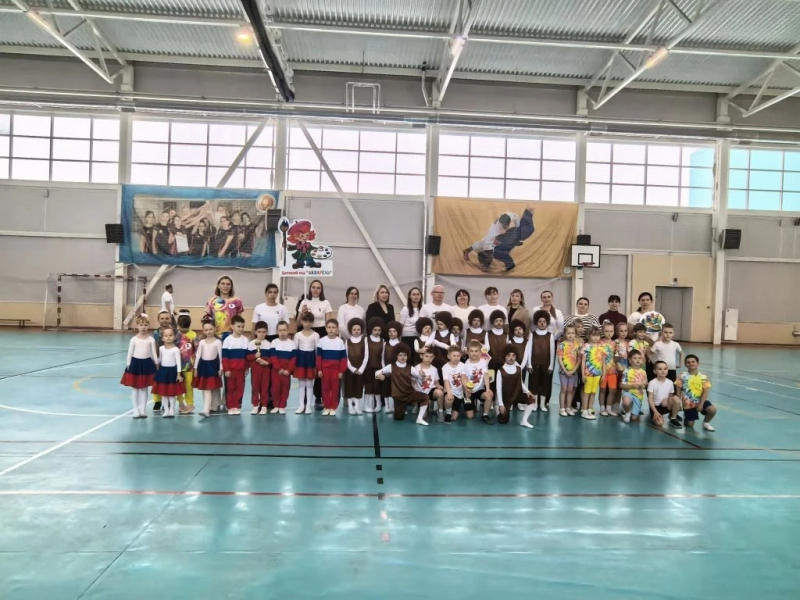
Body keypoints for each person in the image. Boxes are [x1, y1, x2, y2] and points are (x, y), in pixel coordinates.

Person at [375, 343, 431, 426]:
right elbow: (377, 372)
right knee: (398, 418)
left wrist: (422, 376)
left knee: (425, 397)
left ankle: (419, 419)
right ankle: (401, 409)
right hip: (398, 396)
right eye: (400, 355)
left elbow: (420, 379)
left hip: (409, 394)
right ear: (396, 356)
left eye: (404, 355)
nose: (402, 357)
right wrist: (379, 375)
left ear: (407, 356)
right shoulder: (391, 366)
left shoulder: (410, 367)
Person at [299, 279, 334, 407]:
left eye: (318, 288)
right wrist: (302, 312)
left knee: (320, 365)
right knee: (308, 363)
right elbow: (297, 323)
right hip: (307, 333)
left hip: (322, 333)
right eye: (313, 287)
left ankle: (318, 395)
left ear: (321, 290)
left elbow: (329, 322)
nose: (315, 289)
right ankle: (304, 396)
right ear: (310, 288)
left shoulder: (326, 303)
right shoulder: (304, 302)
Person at [121, 314, 158, 419]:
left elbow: (153, 353)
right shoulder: (134, 340)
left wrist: (156, 363)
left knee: (144, 388)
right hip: (135, 365)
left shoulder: (151, 340)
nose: (143, 327)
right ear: (137, 326)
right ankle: (136, 409)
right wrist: (128, 365)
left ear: (148, 326)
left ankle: (143, 410)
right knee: (136, 388)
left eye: (146, 325)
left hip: (147, 364)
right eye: (141, 325)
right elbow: (130, 353)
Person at [496, 344, 537, 428]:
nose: (511, 358)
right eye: (508, 355)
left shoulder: (519, 369)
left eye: (513, 356)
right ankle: (497, 409)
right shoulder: (501, 371)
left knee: (532, 399)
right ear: (504, 357)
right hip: (506, 397)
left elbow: (521, 383)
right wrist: (501, 404)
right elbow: (498, 388)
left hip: (516, 394)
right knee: (503, 420)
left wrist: (528, 391)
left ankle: (524, 420)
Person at [676, 354, 717, 431]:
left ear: (698, 363)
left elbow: (705, 392)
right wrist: (678, 404)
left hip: (700, 401)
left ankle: (706, 423)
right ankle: (686, 417)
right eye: (688, 362)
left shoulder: (703, 377)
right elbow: (678, 391)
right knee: (689, 425)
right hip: (688, 404)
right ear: (685, 364)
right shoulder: (682, 376)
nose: (691, 363)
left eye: (693, 362)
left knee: (712, 409)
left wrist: (701, 404)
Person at [316, 319, 347, 416]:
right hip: (325, 369)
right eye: (329, 327)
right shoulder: (321, 341)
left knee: (335, 388)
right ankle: (327, 406)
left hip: (336, 370)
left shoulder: (340, 342)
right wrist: (319, 369)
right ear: (325, 328)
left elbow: (343, 358)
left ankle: (333, 407)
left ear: (337, 329)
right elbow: (319, 357)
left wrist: (341, 371)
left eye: (333, 327)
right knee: (325, 388)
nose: (331, 329)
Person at [194, 319, 224, 418]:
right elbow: (198, 355)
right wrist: (195, 368)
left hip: (213, 367)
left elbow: (220, 356)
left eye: (210, 329)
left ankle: (208, 408)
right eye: (206, 330)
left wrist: (221, 368)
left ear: (215, 329)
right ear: (203, 331)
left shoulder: (218, 342)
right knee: (206, 388)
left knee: (210, 388)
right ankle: (206, 409)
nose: (209, 331)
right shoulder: (202, 342)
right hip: (203, 367)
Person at [152, 327, 183, 418]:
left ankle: (172, 410)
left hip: (172, 372)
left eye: (170, 335)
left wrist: (178, 374)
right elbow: (160, 360)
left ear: (174, 337)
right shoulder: (161, 348)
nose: (168, 337)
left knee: (171, 393)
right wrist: (154, 362)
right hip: (163, 372)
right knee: (164, 393)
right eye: (166, 336)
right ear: (162, 338)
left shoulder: (176, 349)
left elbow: (178, 363)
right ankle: (166, 410)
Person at [221, 315, 249, 415]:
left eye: (242, 327)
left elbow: (247, 356)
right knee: (230, 389)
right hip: (230, 370)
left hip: (241, 370)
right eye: (238, 326)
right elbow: (224, 357)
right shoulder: (227, 340)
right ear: (232, 326)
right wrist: (226, 369)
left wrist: (246, 368)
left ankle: (237, 406)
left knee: (240, 388)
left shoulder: (245, 340)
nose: (241, 329)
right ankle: (230, 406)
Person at [460, 340, 494, 422]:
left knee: (489, 395)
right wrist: (467, 389)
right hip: (468, 391)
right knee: (470, 416)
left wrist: (488, 388)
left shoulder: (483, 362)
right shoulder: (465, 364)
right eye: (471, 351)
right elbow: (463, 378)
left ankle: (485, 415)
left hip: (479, 390)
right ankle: (471, 406)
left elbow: (485, 375)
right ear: (468, 352)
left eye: (476, 351)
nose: (474, 353)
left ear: (480, 352)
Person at [528, 310, 555, 412]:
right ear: (536, 322)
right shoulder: (532, 335)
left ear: (547, 322)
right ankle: (534, 404)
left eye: (544, 321)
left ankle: (542, 404)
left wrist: (551, 365)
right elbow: (529, 350)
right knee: (533, 384)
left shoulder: (550, 335)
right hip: (534, 363)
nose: (542, 323)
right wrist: (529, 364)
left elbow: (552, 351)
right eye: (540, 321)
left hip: (546, 364)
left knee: (545, 384)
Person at [293, 312, 319, 415]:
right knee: (301, 384)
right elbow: (295, 349)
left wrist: (316, 365)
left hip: (310, 361)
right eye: (305, 321)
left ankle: (308, 406)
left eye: (309, 322)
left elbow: (317, 351)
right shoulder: (298, 335)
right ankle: (301, 406)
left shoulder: (316, 335)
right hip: (300, 360)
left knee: (309, 384)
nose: (307, 324)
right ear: (302, 322)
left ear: (312, 322)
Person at [579, 326, 606, 420]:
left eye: (598, 335)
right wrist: (583, 374)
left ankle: (590, 408)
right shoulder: (586, 346)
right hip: (588, 374)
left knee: (593, 392)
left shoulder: (601, 347)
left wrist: (604, 373)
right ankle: (584, 409)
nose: (596, 338)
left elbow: (603, 361)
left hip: (597, 373)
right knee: (586, 392)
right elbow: (583, 361)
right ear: (588, 336)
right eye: (593, 335)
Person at [270, 321, 297, 415]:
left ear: (288, 331)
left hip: (286, 372)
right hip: (276, 372)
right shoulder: (274, 342)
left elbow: (293, 359)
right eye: (280, 330)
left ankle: (282, 406)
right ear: (277, 331)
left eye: (284, 330)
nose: (282, 332)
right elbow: (273, 357)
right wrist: (278, 369)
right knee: (275, 389)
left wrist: (288, 370)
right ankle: (276, 406)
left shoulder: (292, 343)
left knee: (285, 388)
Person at [648, 361, 683, 429]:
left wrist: (677, 405)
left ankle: (673, 418)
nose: (663, 371)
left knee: (676, 398)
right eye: (660, 369)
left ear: (667, 370)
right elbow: (650, 399)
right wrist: (655, 412)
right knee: (660, 423)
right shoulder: (652, 383)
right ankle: (657, 415)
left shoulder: (670, 382)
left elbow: (671, 397)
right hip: (656, 407)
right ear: (655, 371)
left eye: (665, 369)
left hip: (665, 405)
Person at [344, 318, 369, 416]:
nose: (356, 331)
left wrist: (361, 369)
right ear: (350, 330)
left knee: (359, 387)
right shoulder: (347, 341)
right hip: (350, 370)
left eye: (358, 329)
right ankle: (351, 407)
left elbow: (366, 356)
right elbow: (346, 357)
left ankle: (358, 407)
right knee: (349, 387)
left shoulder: (364, 341)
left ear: (361, 330)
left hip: (361, 370)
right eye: (354, 329)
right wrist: (352, 369)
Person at [412, 347, 443, 425]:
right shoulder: (416, 368)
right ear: (421, 356)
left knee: (440, 393)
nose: (428, 358)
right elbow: (413, 382)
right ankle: (418, 405)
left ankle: (440, 412)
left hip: (430, 390)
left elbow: (436, 382)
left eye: (431, 357)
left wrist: (439, 387)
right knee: (424, 416)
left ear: (433, 357)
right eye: (426, 356)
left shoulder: (434, 369)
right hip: (420, 393)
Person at [247, 321, 271, 415]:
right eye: (259, 332)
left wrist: (266, 362)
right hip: (255, 369)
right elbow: (248, 357)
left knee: (265, 387)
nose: (261, 334)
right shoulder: (251, 344)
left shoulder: (269, 344)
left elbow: (271, 357)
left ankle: (264, 405)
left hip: (265, 369)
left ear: (267, 332)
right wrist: (254, 356)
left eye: (264, 332)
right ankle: (255, 405)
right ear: (255, 332)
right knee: (255, 387)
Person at [556, 325, 580, 417]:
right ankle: (562, 408)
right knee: (564, 389)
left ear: (575, 334)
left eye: (572, 333)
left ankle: (568, 407)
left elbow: (579, 359)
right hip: (563, 372)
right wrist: (565, 370)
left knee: (570, 390)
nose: (570, 335)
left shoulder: (577, 345)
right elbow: (559, 359)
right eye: (568, 333)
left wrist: (574, 370)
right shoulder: (562, 345)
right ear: (565, 334)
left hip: (574, 371)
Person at [176, 313, 197, 415]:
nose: (184, 330)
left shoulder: (193, 335)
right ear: (178, 325)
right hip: (178, 366)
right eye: (182, 327)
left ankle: (190, 403)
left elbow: (196, 350)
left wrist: (196, 365)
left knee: (189, 386)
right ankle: (181, 403)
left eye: (186, 327)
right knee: (179, 386)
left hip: (189, 366)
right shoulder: (175, 335)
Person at [381, 321, 403, 414]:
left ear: (398, 332)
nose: (392, 333)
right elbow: (382, 358)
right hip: (387, 370)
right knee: (386, 388)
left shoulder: (401, 345)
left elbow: (403, 359)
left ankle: (394, 406)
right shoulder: (385, 344)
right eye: (390, 331)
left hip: (397, 371)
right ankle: (387, 406)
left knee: (396, 388)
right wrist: (384, 369)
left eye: (394, 331)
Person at [363, 318, 385, 414]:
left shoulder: (382, 341)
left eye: (379, 330)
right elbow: (365, 355)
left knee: (377, 386)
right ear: (371, 329)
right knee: (368, 385)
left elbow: (383, 357)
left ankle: (378, 404)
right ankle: (366, 405)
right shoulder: (366, 340)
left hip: (378, 367)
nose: (377, 332)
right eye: (375, 330)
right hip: (368, 367)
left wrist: (383, 369)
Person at [620, 349, 648, 423]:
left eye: (639, 358)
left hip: (638, 395)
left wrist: (642, 386)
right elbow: (621, 385)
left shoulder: (643, 372)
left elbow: (645, 385)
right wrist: (632, 386)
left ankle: (632, 408)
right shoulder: (627, 371)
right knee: (626, 402)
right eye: (635, 358)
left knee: (634, 418)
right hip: (628, 392)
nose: (638, 360)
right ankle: (627, 412)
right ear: (630, 360)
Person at [598, 321, 619, 417]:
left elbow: (616, 358)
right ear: (602, 331)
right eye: (606, 331)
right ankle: (602, 408)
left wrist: (618, 353)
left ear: (614, 331)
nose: (609, 333)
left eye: (611, 331)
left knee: (612, 390)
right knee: (602, 390)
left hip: (612, 370)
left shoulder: (615, 343)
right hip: (602, 371)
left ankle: (609, 408)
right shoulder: (599, 343)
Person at [442, 346, 464, 423]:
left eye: (458, 356)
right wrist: (449, 392)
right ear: (449, 356)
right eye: (454, 356)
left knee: (454, 418)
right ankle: (448, 413)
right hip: (450, 390)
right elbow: (446, 381)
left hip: (459, 393)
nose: (456, 358)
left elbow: (464, 379)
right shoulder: (445, 367)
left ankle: (449, 409)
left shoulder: (462, 365)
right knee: (449, 399)